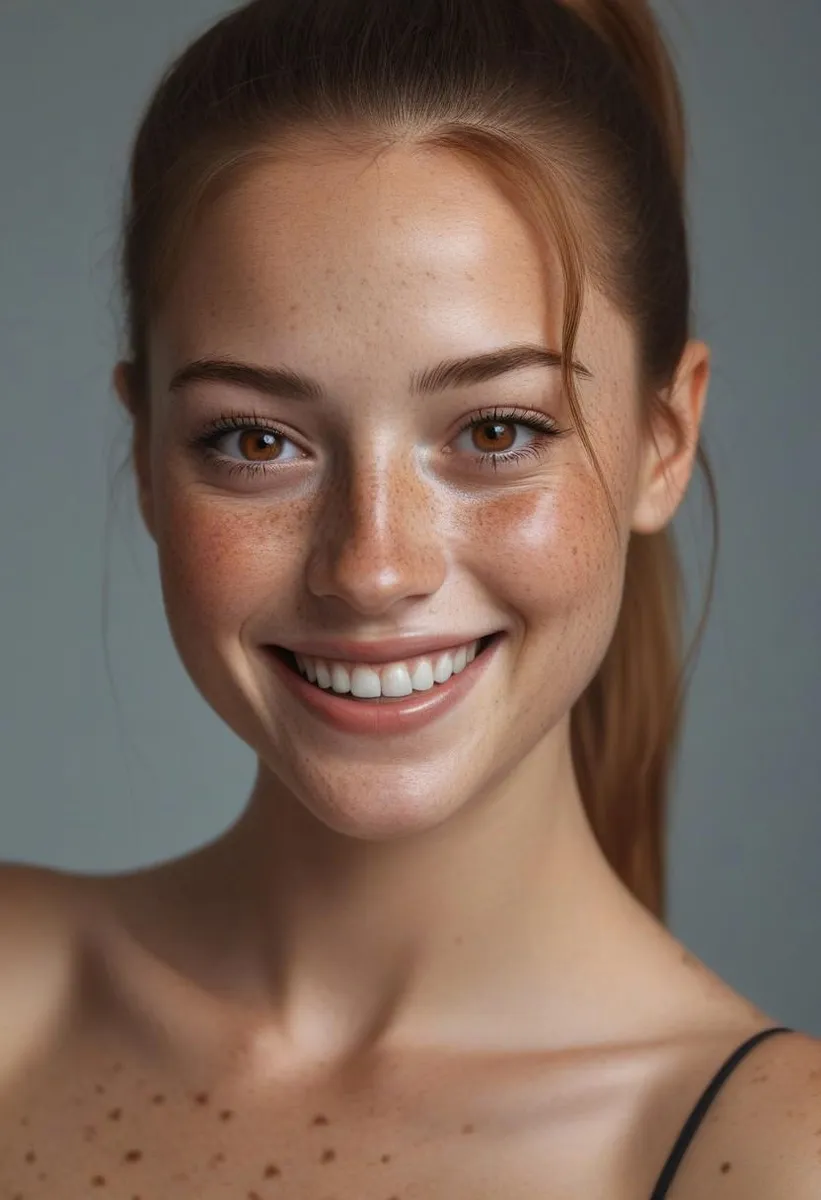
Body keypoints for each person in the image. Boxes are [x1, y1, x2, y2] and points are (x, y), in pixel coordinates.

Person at [1, 0, 819, 1196]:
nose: (372, 566)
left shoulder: (764, 1157)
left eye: (494, 430)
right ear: (144, 454)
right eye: (255, 440)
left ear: (662, 439)